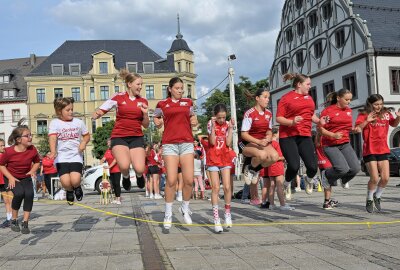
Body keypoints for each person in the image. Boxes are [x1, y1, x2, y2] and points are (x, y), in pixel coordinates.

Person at [92, 69, 148, 191]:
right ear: (130, 84)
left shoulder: (143, 101)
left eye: (141, 84)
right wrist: (98, 113)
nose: (140, 87)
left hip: (136, 136)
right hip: (119, 136)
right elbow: (104, 108)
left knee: (139, 168)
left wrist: (145, 115)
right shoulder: (118, 97)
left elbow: (146, 125)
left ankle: (139, 176)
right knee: (124, 165)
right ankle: (126, 176)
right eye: (138, 84)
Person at [154, 77, 198, 230]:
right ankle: (168, 214)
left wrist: (195, 121)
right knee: (171, 180)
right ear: (170, 88)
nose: (180, 90)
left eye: (182, 88)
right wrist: (157, 122)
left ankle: (185, 208)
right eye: (177, 88)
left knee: (189, 180)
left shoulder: (188, 103)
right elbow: (156, 117)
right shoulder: (162, 104)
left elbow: (193, 117)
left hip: (186, 143)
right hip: (170, 144)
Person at [276, 73, 322, 199]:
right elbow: (279, 118)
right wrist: (291, 122)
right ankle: (286, 184)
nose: (310, 86)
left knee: (313, 167)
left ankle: (308, 179)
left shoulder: (309, 98)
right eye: (308, 84)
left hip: (305, 135)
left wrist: (319, 121)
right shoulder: (286, 98)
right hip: (288, 136)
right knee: (294, 165)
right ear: (299, 84)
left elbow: (310, 114)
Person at [354, 94, 400, 213]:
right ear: (370, 104)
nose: (378, 106)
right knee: (374, 178)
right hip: (370, 150)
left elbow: (394, 124)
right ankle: (369, 198)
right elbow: (357, 129)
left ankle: (377, 196)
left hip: (383, 149)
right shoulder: (364, 114)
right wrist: (367, 120)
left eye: (380, 104)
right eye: (376, 104)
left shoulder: (386, 113)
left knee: (385, 178)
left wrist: (398, 117)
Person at [0, 120, 41, 234]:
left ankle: (25, 223)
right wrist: (11, 178)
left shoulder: (32, 149)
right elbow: (1, 165)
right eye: (27, 136)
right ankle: (14, 220)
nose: (30, 137)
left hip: (25, 176)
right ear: (18, 140)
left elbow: (37, 162)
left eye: (30, 135)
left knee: (29, 194)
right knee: (18, 194)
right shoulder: (8, 152)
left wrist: (33, 171)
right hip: (11, 177)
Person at [318, 89, 360, 199]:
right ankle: (325, 175)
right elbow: (320, 130)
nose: (349, 102)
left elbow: (346, 128)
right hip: (330, 145)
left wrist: (354, 129)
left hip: (345, 143)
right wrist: (333, 135)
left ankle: (344, 180)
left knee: (355, 168)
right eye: (346, 99)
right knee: (342, 169)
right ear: (338, 98)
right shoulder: (327, 111)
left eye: (350, 99)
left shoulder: (348, 111)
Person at [48, 97, 90, 205]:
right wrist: (53, 152)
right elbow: (52, 138)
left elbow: (86, 136)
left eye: (72, 109)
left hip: (76, 155)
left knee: (75, 180)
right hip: (61, 157)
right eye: (68, 110)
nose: (71, 112)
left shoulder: (79, 122)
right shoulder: (55, 123)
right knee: (66, 182)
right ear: (59, 111)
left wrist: (83, 143)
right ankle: (69, 190)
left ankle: (77, 187)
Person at [241, 88, 279, 185]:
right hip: (248, 143)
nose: (268, 100)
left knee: (275, 157)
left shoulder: (269, 113)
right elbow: (244, 134)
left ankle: (254, 169)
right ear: (257, 98)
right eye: (265, 97)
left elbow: (269, 130)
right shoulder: (250, 113)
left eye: (268, 98)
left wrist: (269, 136)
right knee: (262, 155)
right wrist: (258, 142)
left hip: (262, 142)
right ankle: (249, 168)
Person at [207, 104, 234, 232]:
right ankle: (216, 219)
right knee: (216, 187)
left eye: (223, 117)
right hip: (213, 158)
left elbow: (228, 143)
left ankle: (227, 213)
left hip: (225, 157)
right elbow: (212, 142)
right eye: (219, 118)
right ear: (215, 115)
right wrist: (213, 127)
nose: (222, 120)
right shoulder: (211, 123)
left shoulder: (227, 124)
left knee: (227, 187)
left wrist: (231, 128)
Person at [315, 131, 338, 210]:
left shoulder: (317, 140)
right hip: (328, 164)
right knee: (328, 184)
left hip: (321, 164)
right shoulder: (326, 140)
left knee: (327, 184)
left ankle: (328, 200)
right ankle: (326, 202)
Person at [101, 139, 122, 204]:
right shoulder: (107, 151)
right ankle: (115, 198)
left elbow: (115, 160)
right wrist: (101, 161)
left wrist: (109, 166)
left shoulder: (115, 150)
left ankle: (118, 199)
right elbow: (104, 158)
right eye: (107, 143)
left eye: (109, 142)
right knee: (113, 184)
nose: (108, 144)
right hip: (111, 170)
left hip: (117, 169)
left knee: (117, 184)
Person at [0, 138, 13, 228]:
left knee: (10, 200)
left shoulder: (6, 155)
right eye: (1, 146)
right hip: (0, 181)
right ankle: (9, 218)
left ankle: (12, 218)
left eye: (3, 145)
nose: (3, 147)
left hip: (7, 179)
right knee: (5, 201)